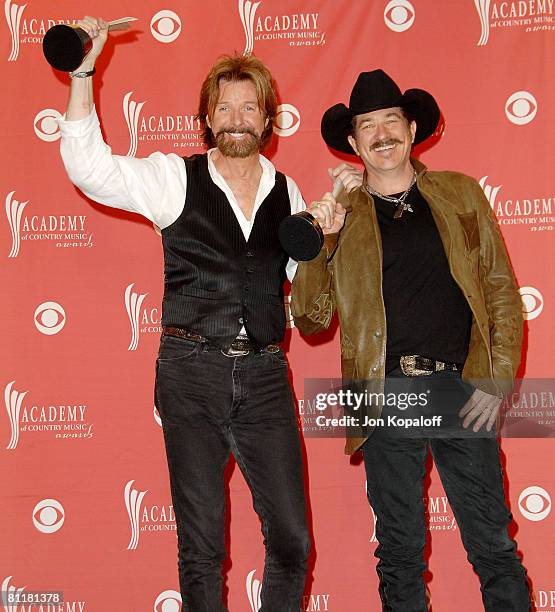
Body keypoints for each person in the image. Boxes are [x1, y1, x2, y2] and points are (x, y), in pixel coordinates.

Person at [56, 16, 312, 611]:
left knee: (294, 540)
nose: (237, 119)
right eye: (224, 108)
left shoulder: (291, 194)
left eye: (250, 108)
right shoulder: (173, 178)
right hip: (190, 372)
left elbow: (314, 292)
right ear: (208, 120)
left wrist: (336, 221)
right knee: (201, 549)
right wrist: (83, 74)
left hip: (268, 377)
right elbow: (89, 168)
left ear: (268, 121)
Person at [291, 69, 531, 611]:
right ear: (353, 143)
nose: (381, 134)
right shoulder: (341, 216)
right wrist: (319, 239)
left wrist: (495, 382)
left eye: (391, 121)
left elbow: (501, 294)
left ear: (412, 126)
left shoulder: (461, 194)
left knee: (493, 545)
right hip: (382, 393)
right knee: (398, 554)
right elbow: (309, 319)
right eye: (367, 126)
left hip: (460, 389)